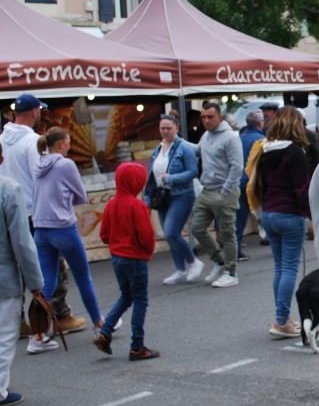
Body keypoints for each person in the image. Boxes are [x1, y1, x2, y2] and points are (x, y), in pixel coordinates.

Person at [0, 94, 86, 335]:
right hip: (32, 210)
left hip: (7, 208)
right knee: (50, 266)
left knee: (15, 267)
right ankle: (58, 314)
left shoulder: (3, 139)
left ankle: (19, 319)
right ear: (35, 112)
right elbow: (42, 176)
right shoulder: (33, 142)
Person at [30, 127, 103, 353]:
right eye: (69, 142)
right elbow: (81, 195)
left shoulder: (38, 162)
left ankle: (37, 334)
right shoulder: (65, 164)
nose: (70, 145)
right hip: (63, 227)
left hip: (41, 227)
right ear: (61, 143)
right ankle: (100, 324)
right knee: (83, 277)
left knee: (47, 282)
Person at [249, 107, 311, 338]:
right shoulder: (295, 153)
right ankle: (280, 321)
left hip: (270, 214)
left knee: (280, 267)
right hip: (290, 214)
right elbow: (302, 189)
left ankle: (282, 317)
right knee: (289, 268)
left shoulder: (264, 151)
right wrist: (312, 216)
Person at [93, 163, 159, 361]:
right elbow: (146, 236)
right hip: (135, 258)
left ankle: (105, 332)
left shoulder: (112, 203)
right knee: (140, 300)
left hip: (117, 258)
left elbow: (104, 234)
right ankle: (137, 346)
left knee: (126, 296)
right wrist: (147, 250)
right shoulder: (137, 205)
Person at [0, 161, 43, 406]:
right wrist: (35, 282)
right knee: (5, 335)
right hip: (4, 276)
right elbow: (22, 242)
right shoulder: (9, 189)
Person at [145, 114, 203, 285]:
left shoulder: (184, 148)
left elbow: (193, 172)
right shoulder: (158, 148)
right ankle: (180, 269)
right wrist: (149, 196)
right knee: (169, 235)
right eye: (162, 128)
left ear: (177, 128)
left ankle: (193, 261)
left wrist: (170, 178)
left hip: (181, 194)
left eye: (168, 128)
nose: (165, 131)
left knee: (171, 233)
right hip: (162, 195)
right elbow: (151, 174)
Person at [191, 102, 244, 288]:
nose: (206, 120)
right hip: (208, 189)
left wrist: (226, 190)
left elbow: (237, 167)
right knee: (196, 227)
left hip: (223, 190)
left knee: (227, 233)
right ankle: (220, 261)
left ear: (219, 117)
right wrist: (178, 142)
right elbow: (198, 151)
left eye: (210, 117)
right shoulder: (206, 135)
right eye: (203, 117)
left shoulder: (230, 137)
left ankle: (231, 272)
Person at [236, 110, 265, 260]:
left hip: (239, 181)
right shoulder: (261, 140)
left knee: (239, 217)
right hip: (254, 182)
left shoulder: (239, 138)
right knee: (264, 211)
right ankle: (269, 238)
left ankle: (236, 247)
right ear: (260, 123)